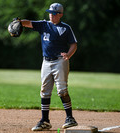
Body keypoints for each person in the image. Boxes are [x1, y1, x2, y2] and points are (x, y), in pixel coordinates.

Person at [20, 3, 78, 131]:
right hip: (45, 62)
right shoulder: (44, 24)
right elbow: (28, 23)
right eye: (50, 12)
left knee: (62, 90)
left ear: (60, 14)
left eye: (54, 13)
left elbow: (74, 44)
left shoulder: (65, 28)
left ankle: (70, 118)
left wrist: (68, 54)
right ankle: (45, 121)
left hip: (60, 61)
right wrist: (19, 21)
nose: (51, 15)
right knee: (44, 91)